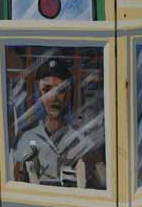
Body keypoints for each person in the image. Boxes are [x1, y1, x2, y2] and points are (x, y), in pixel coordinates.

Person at [12, 58, 106, 189]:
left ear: (68, 95)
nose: (54, 96)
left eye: (60, 90)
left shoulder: (82, 143)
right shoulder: (27, 140)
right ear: (39, 94)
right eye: (47, 89)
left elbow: (103, 184)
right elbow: (16, 185)